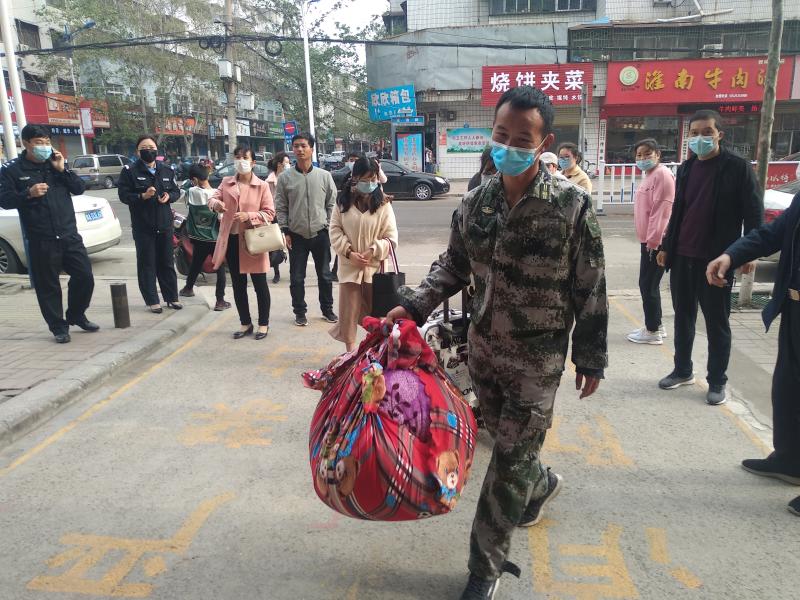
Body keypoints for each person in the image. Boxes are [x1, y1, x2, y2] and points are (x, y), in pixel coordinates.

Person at [384, 86, 608, 599]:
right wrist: (414, 305)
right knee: (515, 452)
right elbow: (454, 264)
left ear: (543, 143)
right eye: (502, 134)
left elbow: (590, 283)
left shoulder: (570, 206)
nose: (509, 145)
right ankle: (541, 483)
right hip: (482, 353)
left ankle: (484, 569)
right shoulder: (477, 201)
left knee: (507, 461)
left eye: (522, 139)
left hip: (537, 359)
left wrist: (591, 356)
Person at [656, 110, 762, 405]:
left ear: (719, 135)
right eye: (694, 133)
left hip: (717, 261)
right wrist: (666, 245)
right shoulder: (687, 168)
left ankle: (717, 381)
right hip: (683, 256)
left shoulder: (737, 167)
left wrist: (749, 251)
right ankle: (682, 370)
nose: (699, 138)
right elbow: (679, 210)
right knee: (683, 317)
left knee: (717, 323)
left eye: (706, 132)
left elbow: (754, 212)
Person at [706, 190, 800, 516]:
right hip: (794, 307)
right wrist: (731, 255)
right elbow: (773, 233)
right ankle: (790, 460)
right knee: (787, 388)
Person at [0, 124, 96, 343]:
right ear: (26, 143)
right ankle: (58, 327)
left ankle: (76, 314)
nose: (44, 146)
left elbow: (79, 188)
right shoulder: (12, 169)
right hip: (41, 238)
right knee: (48, 286)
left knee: (85, 276)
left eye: (46, 142)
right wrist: (28, 193)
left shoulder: (55, 163)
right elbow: (4, 200)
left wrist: (62, 169)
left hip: (69, 235)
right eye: (38, 142)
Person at [329, 156, 398, 352]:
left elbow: (392, 238)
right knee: (349, 315)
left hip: (374, 270)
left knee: (376, 317)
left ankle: (375, 353)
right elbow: (334, 231)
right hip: (349, 268)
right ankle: (351, 355)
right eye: (365, 179)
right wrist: (349, 253)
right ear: (355, 178)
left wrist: (372, 250)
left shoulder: (383, 204)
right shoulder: (342, 203)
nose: (369, 183)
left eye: (373, 179)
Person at [209, 146, 274, 340]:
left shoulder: (262, 185)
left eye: (245, 157)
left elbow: (270, 213)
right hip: (232, 240)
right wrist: (216, 204)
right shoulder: (226, 182)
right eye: (237, 157)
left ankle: (263, 324)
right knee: (238, 285)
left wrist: (249, 215)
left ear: (253, 162)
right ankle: (245, 323)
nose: (241, 161)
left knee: (260, 284)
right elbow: (212, 199)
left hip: (254, 241)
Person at [275, 133, 339, 327]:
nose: (299, 149)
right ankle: (300, 312)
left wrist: (328, 226)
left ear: (311, 148)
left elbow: (332, 203)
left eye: (303, 145)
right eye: (296, 146)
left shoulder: (324, 176)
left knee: (325, 276)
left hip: (320, 234)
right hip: (296, 235)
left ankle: (327, 309)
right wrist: (285, 230)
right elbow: (281, 206)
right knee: (296, 278)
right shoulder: (285, 178)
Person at [118, 135, 182, 313]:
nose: (149, 150)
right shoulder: (130, 171)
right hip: (143, 227)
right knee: (147, 264)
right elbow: (123, 196)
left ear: (157, 150)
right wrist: (142, 196)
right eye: (144, 148)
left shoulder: (167, 170)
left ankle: (172, 297)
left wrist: (169, 196)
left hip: (165, 225)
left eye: (152, 147)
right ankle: (152, 300)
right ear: (138, 152)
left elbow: (176, 191)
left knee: (167, 263)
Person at [627, 139, 675, 345]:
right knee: (650, 284)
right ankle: (657, 325)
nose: (642, 158)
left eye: (647, 154)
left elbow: (662, 211)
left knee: (647, 284)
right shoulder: (650, 175)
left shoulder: (662, 175)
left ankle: (652, 330)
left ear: (658, 154)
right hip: (648, 240)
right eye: (639, 155)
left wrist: (654, 242)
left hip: (655, 241)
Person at [178, 164, 230, 311]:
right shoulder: (215, 195)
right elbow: (221, 217)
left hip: (197, 238)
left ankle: (188, 288)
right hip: (213, 239)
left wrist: (190, 183)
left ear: (194, 179)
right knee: (219, 268)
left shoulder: (191, 192)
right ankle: (220, 301)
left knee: (196, 262)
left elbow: (181, 191)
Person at [266, 152, 291, 284]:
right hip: (275, 216)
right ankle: (276, 272)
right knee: (275, 244)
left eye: (289, 163)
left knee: (291, 243)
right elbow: (267, 199)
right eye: (286, 163)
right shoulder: (269, 181)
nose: (288, 165)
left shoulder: (291, 177)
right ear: (279, 164)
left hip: (291, 215)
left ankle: (294, 271)